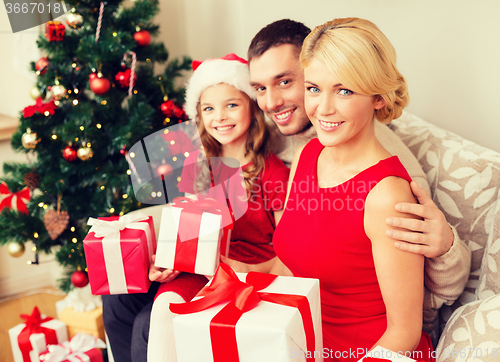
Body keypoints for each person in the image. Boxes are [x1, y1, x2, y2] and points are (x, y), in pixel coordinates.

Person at [247, 18, 471, 343]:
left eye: (344, 90)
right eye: (313, 89)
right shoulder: (308, 154)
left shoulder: (388, 195)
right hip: (298, 339)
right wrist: (233, 271)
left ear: (378, 98)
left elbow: (404, 333)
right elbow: (288, 264)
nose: (322, 108)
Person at [145, 53, 290, 361]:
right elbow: (185, 232)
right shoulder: (196, 166)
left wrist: (249, 271)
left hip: (253, 274)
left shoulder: (273, 172)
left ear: (252, 107)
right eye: (209, 108)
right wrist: (167, 261)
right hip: (203, 269)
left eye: (231, 105)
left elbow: (289, 248)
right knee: (161, 311)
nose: (220, 117)